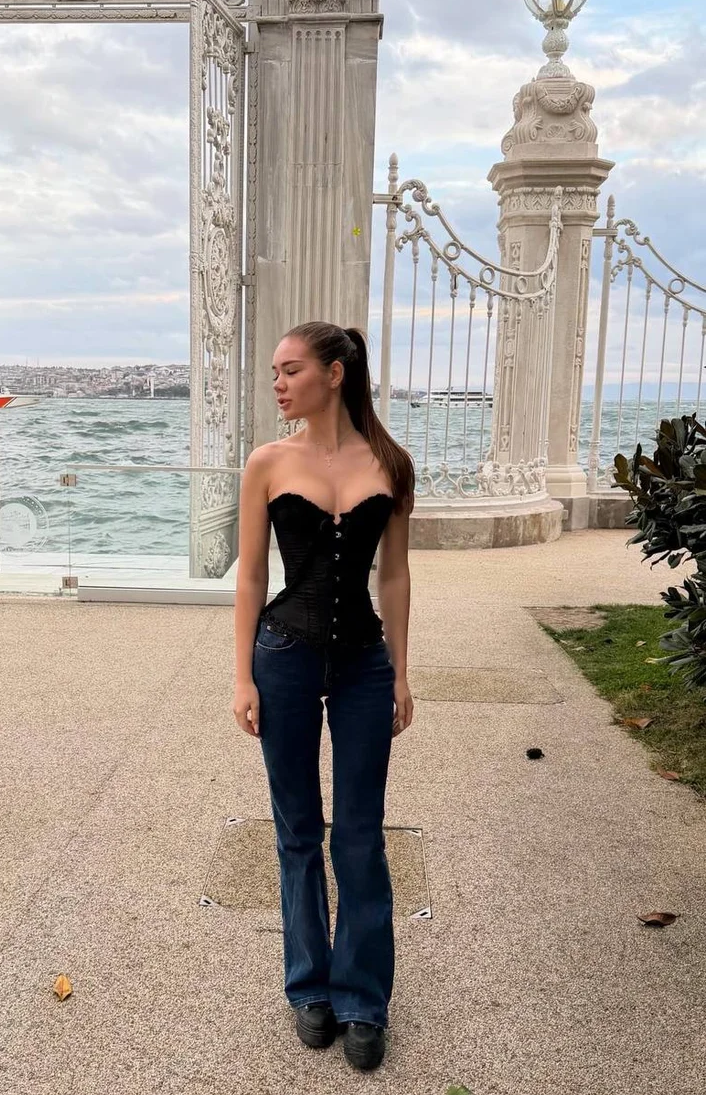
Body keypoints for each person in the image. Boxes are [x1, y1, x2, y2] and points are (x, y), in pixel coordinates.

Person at [232, 321, 415, 1072]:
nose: (278, 383)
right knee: (298, 829)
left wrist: (400, 671)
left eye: (291, 370)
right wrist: (240, 675)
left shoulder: (390, 464)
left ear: (334, 374)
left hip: (365, 663)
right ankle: (308, 985)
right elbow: (250, 574)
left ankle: (363, 998)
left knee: (361, 834)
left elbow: (394, 575)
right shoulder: (268, 463)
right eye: (275, 372)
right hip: (284, 656)